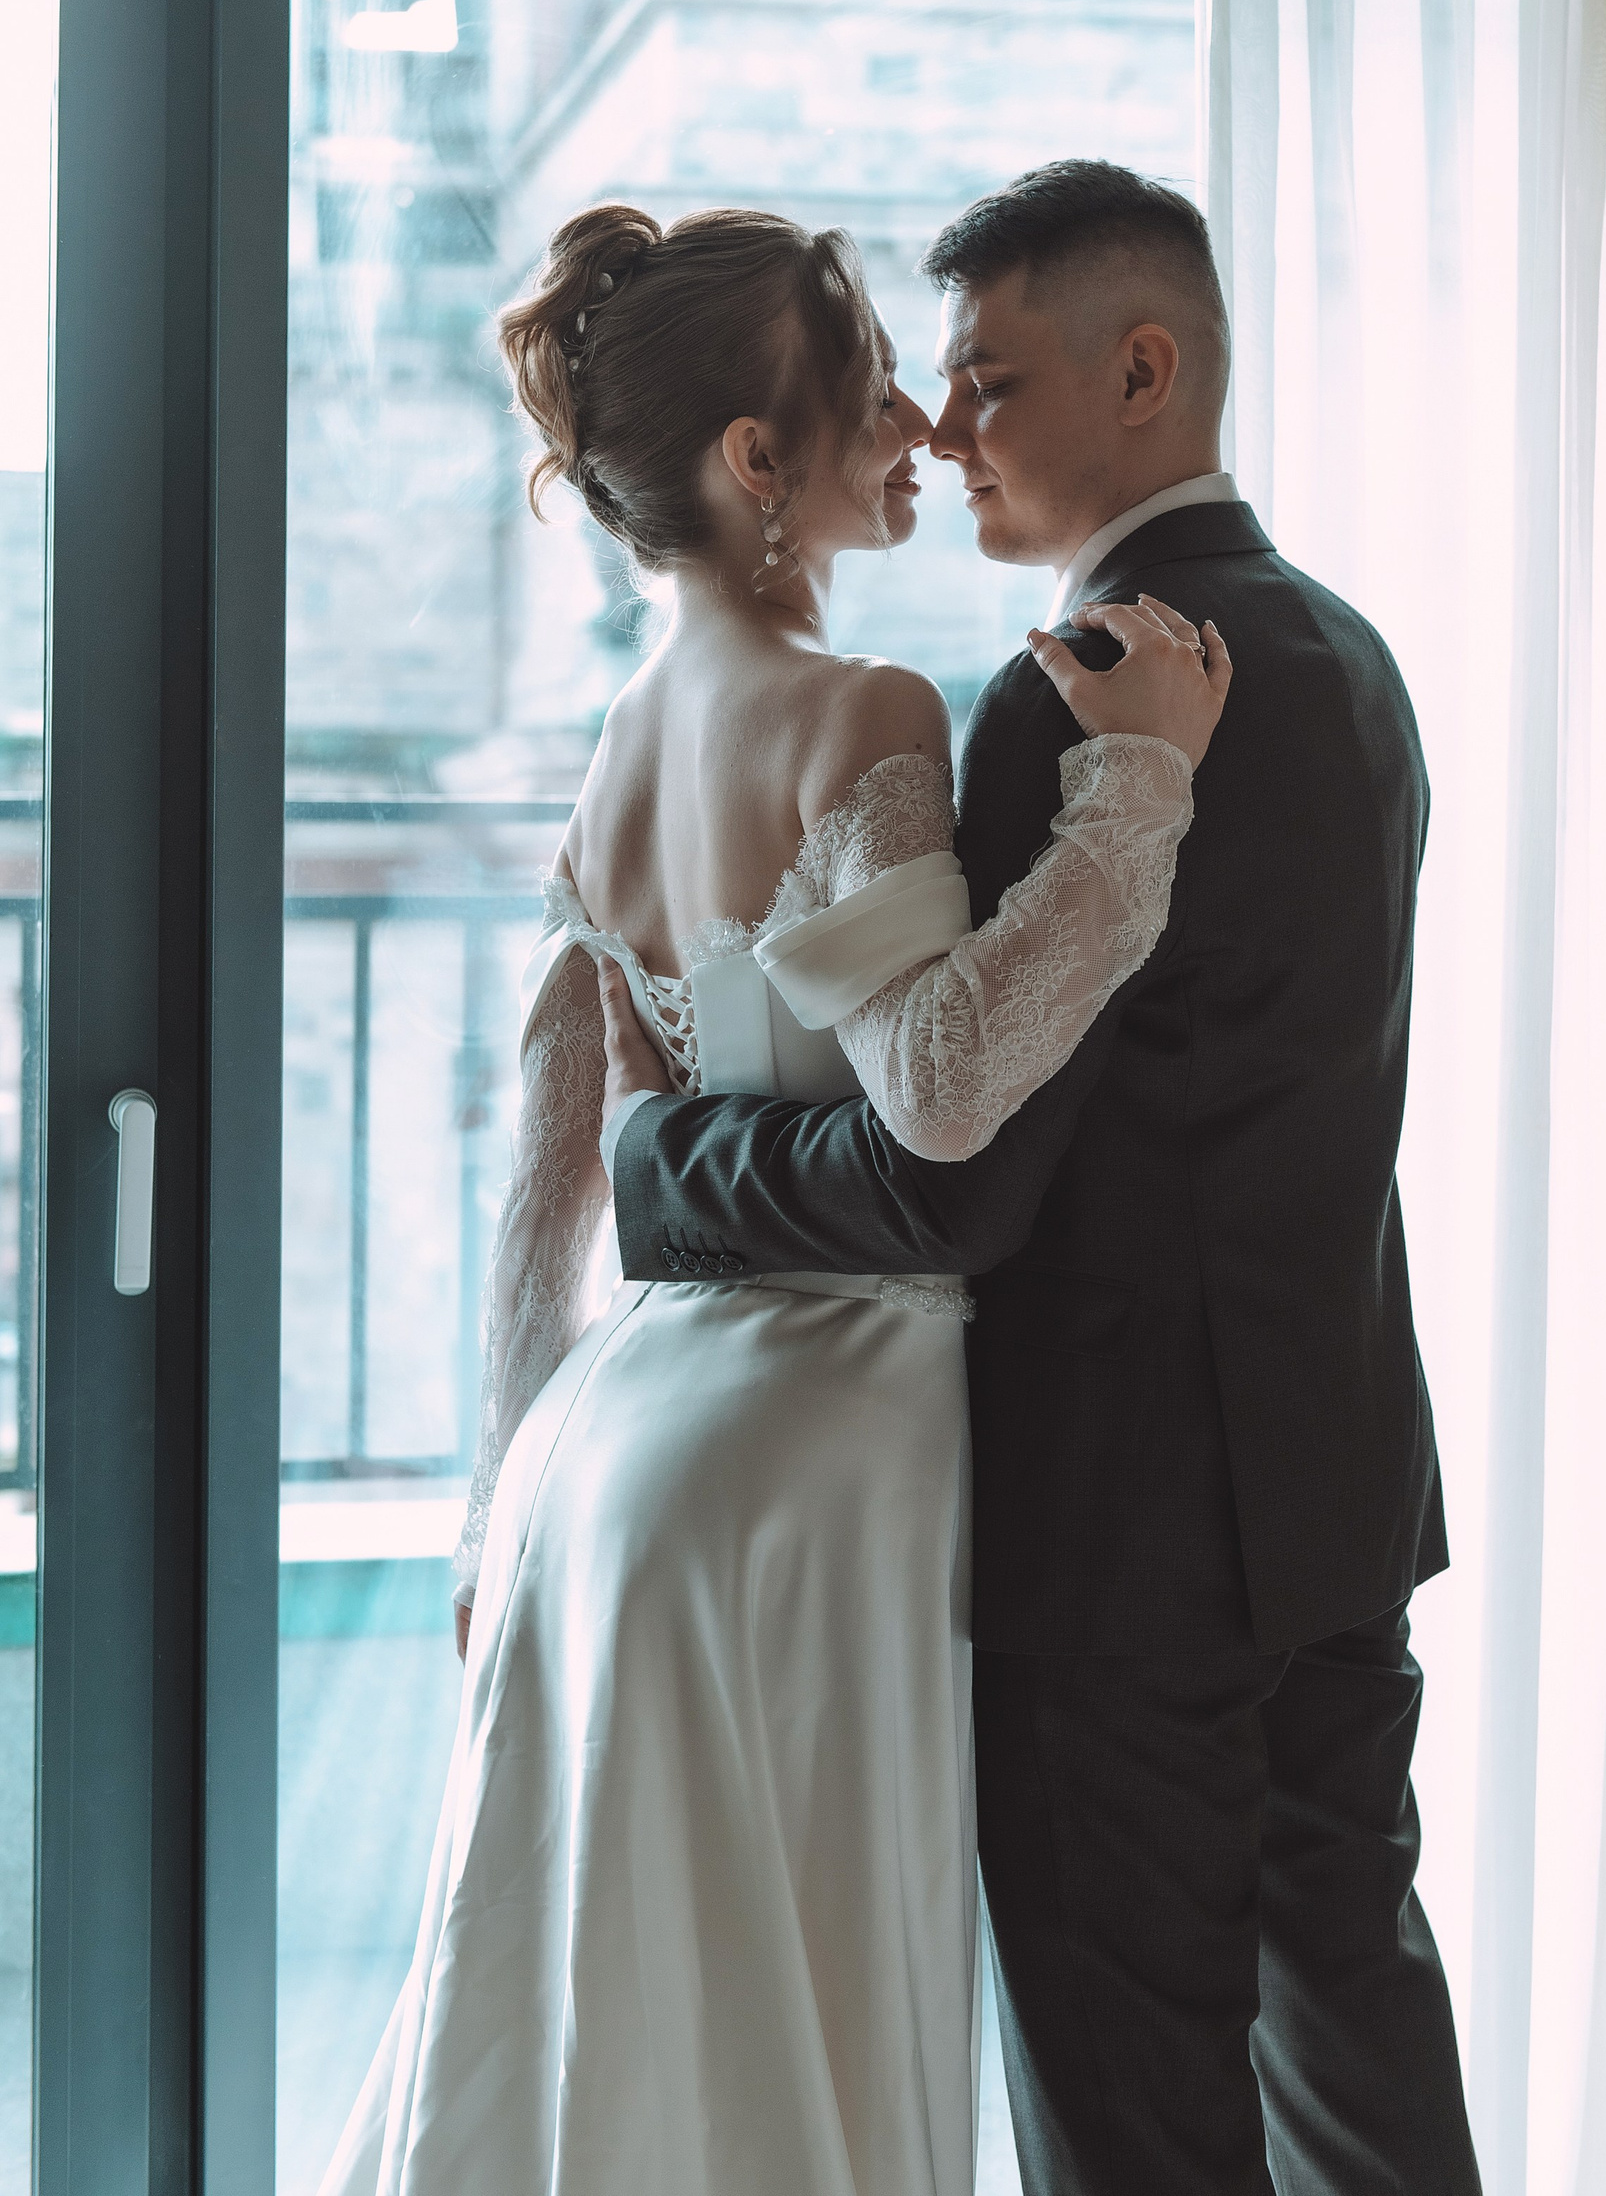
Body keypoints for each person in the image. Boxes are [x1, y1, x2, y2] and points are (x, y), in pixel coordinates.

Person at [318, 196, 1230, 2196]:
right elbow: (944, 1086)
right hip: (817, 1453)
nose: (918, 427)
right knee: (783, 2038)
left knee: (614, 2034)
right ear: (758, 458)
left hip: (599, 1458)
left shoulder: (616, 751)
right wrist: (1137, 790)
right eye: (876, 390)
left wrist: (495, 1495)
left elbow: (549, 1179)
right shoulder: (861, 713)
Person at [600, 159, 1482, 2196]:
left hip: (1113, 1550)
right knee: (1362, 2075)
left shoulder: (1067, 699)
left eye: (989, 381)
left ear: (1143, 372)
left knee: (1130, 2119)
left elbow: (952, 1186)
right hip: (1337, 1497)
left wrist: (667, 1163)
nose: (942, 425)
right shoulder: (1353, 661)